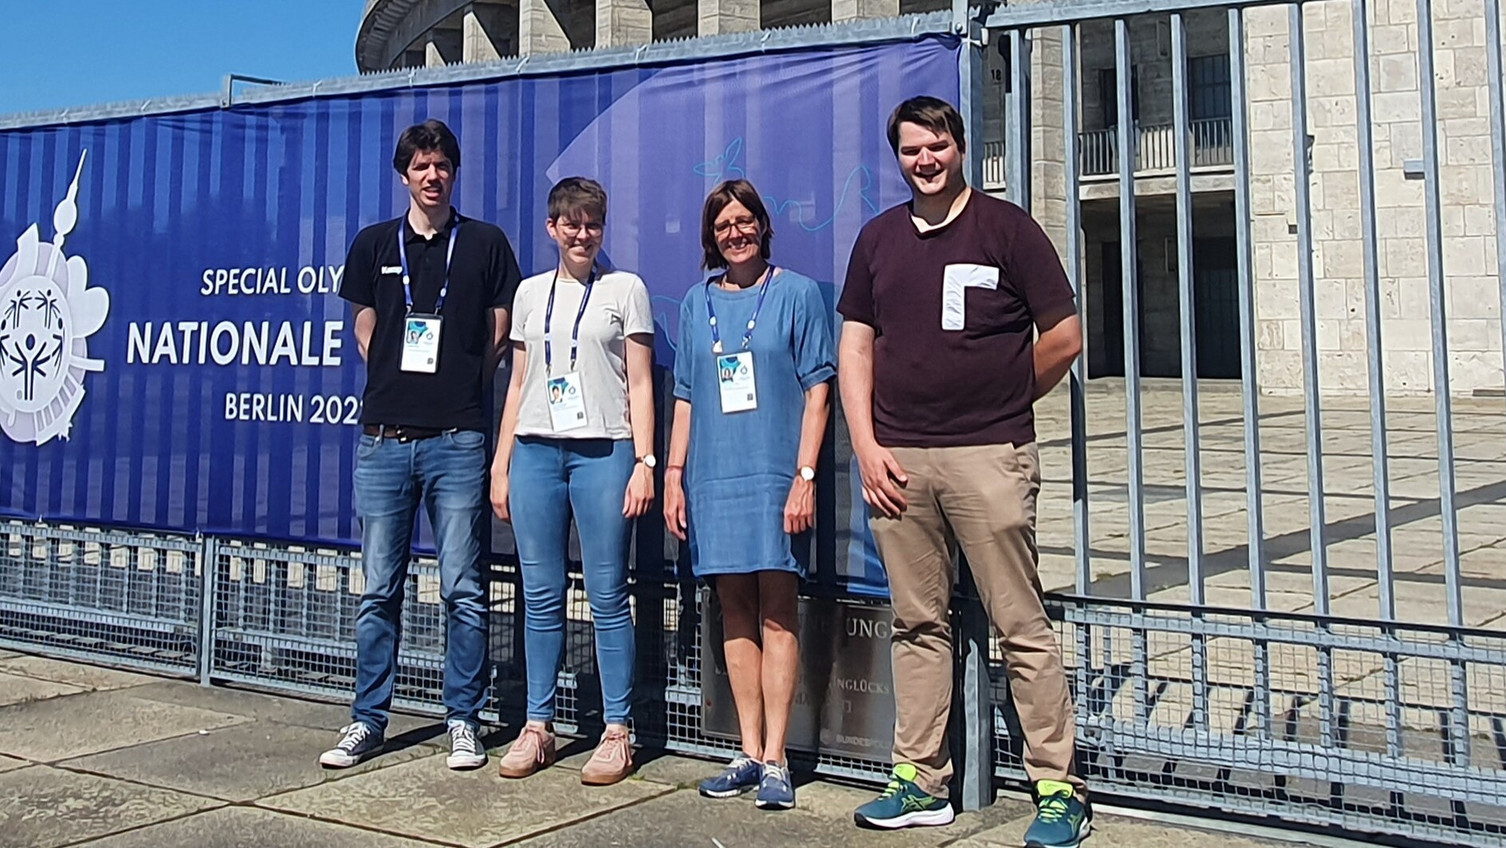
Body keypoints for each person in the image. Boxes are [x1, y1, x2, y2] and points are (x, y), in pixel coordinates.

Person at [837, 96, 1092, 847]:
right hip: (898, 461)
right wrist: (867, 443)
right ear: (899, 156)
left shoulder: (1008, 229)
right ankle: (920, 778)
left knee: (1021, 625)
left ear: (959, 146)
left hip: (990, 456)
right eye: (912, 149)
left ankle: (1058, 786)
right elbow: (856, 347)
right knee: (918, 623)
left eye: (937, 146)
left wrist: (1004, 397)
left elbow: (1066, 335)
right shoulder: (878, 238)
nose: (926, 160)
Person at [323, 118, 522, 771]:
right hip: (383, 438)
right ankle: (367, 720)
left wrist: (457, 382)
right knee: (380, 587)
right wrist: (397, 373)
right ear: (404, 174)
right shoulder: (374, 243)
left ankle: (462, 719)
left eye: (441, 166)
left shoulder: (486, 244)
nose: (432, 176)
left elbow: (499, 334)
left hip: (458, 438)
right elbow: (364, 323)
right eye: (420, 167)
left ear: (453, 172)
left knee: (463, 587)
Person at [663, 179, 835, 810]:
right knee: (732, 608)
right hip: (713, 476)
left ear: (764, 225)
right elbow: (683, 394)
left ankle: (777, 759)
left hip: (776, 476)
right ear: (710, 236)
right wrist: (673, 474)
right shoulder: (694, 300)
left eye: (745, 221)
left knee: (776, 609)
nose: (734, 232)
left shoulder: (796, 294)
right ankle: (746, 747)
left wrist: (805, 476)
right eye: (722, 224)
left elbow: (820, 390)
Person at [490, 176, 656, 786]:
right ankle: (538, 726)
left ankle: (617, 732)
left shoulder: (625, 290)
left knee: (609, 595)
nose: (582, 234)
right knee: (540, 596)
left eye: (592, 224)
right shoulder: (530, 294)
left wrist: (645, 461)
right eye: (571, 224)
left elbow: (640, 382)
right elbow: (518, 383)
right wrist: (501, 463)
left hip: (604, 452)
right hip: (536, 451)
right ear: (552, 229)